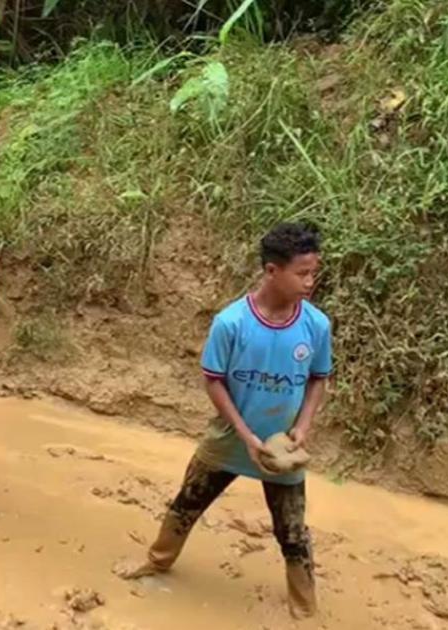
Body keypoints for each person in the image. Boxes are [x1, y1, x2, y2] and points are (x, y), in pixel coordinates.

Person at [117, 222, 332, 619]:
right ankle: (157, 559)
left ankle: (304, 606)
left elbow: (319, 378)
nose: (310, 282)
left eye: (313, 272)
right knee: (187, 502)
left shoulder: (316, 326)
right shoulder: (232, 323)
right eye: (302, 273)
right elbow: (214, 381)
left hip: (283, 445)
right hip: (230, 437)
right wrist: (248, 436)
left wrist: (302, 428)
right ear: (271, 271)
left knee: (293, 531)